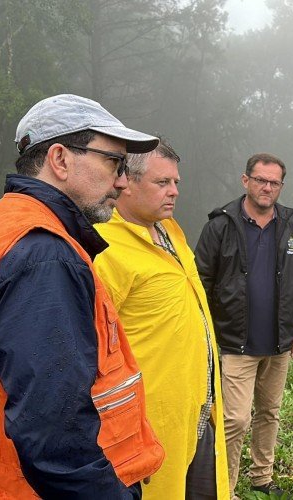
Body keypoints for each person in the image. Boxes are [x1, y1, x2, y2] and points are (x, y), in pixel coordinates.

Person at [0, 94, 165, 498]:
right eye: (114, 162)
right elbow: (52, 433)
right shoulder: (45, 255)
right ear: (59, 159)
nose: (123, 181)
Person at [93, 141, 230, 500]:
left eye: (176, 182)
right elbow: (92, 349)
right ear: (126, 181)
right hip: (148, 423)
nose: (174, 192)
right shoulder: (104, 248)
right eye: (163, 183)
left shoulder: (171, 232)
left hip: (200, 411)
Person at [195, 153, 293, 497]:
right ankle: (224, 487)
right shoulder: (221, 225)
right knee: (234, 420)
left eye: (274, 182)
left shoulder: (291, 225)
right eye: (260, 180)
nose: (267, 187)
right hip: (236, 341)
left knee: (269, 413)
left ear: (281, 186)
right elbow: (201, 278)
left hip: (279, 340)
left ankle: (262, 476)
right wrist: (205, 329)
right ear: (245, 181)